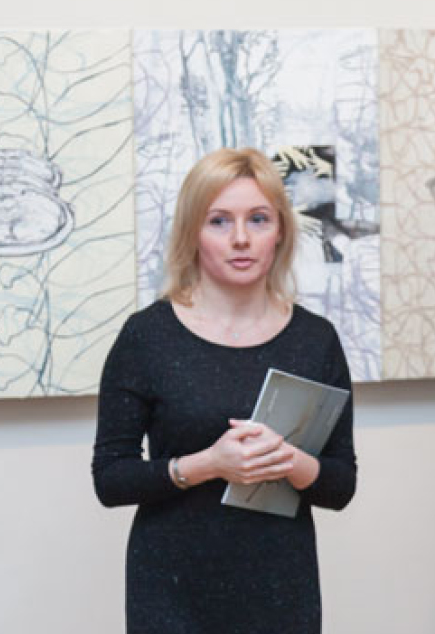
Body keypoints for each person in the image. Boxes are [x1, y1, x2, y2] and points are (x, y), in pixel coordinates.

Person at [92, 148, 357, 633]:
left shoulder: (315, 340)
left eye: (258, 219)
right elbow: (110, 479)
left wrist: (286, 460)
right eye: (219, 221)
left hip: (281, 588)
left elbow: (341, 485)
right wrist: (210, 464)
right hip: (171, 589)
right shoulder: (147, 337)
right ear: (192, 233)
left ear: (280, 232)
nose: (241, 239)